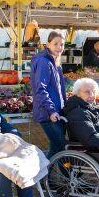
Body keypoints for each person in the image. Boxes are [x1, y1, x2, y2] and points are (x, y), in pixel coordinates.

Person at [30, 31, 66, 159]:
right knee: (61, 147)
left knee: (56, 147)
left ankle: (46, 176)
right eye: (56, 44)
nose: (59, 47)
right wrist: (51, 110)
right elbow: (40, 89)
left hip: (56, 111)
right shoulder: (44, 62)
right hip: (48, 113)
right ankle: (68, 176)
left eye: (62, 44)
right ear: (48, 44)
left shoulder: (55, 62)